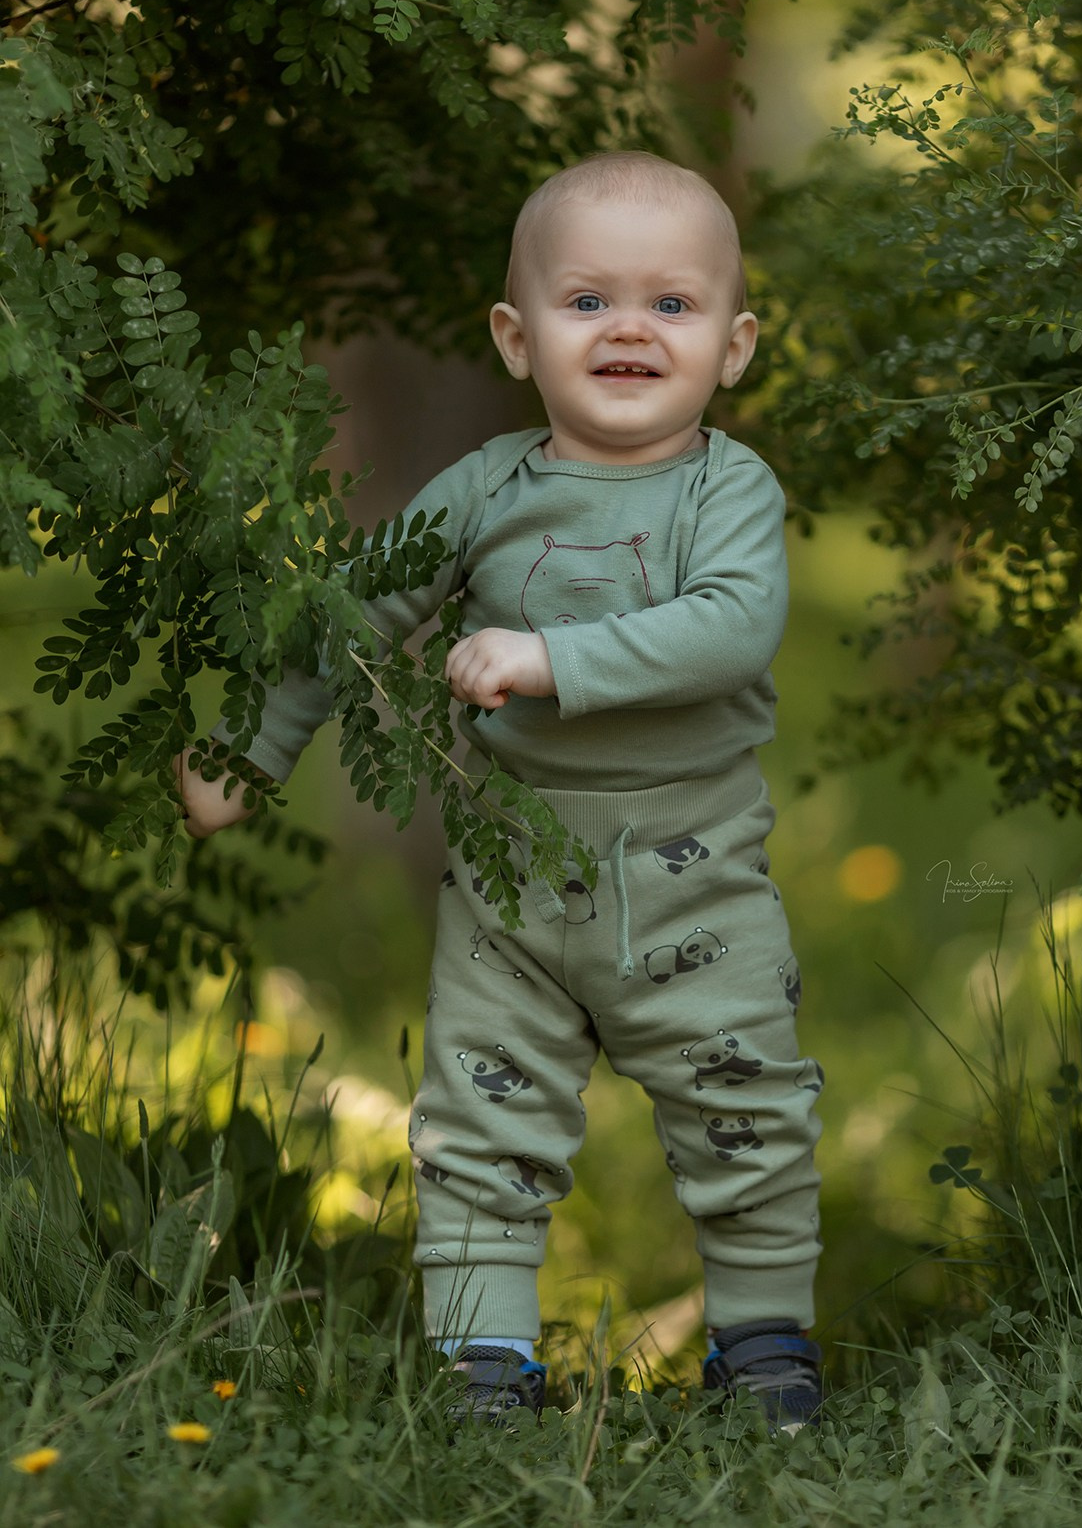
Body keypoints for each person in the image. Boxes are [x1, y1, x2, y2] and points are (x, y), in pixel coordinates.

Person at [176, 151, 825, 1431]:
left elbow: (732, 627)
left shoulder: (727, 488)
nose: (629, 328)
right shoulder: (483, 489)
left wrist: (549, 659)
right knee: (477, 1121)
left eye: (672, 304)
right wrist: (250, 748)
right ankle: (484, 1365)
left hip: (694, 885)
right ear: (516, 339)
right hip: (511, 892)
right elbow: (355, 615)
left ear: (735, 346)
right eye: (587, 302)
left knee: (746, 1109)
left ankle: (761, 1348)